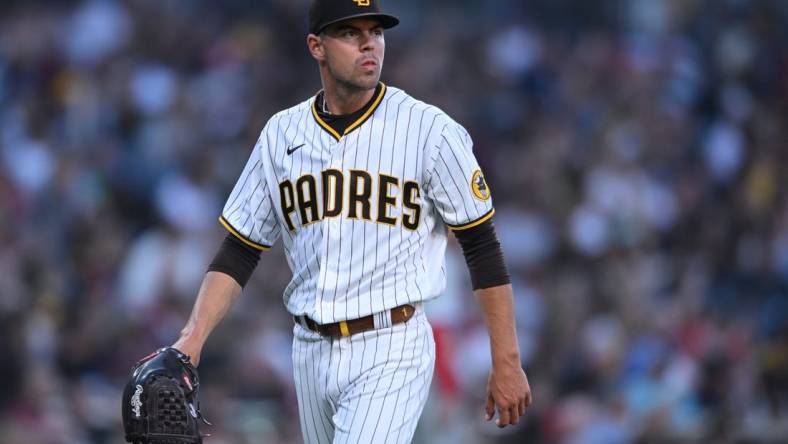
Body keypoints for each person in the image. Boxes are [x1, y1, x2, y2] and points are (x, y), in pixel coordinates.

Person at [171, 1, 531, 442]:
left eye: (376, 32)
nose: (368, 43)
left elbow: (481, 247)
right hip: (308, 349)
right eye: (350, 32)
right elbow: (241, 249)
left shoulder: (428, 130)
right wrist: (192, 338)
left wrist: (507, 360)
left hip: (391, 342)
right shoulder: (281, 134)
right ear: (316, 46)